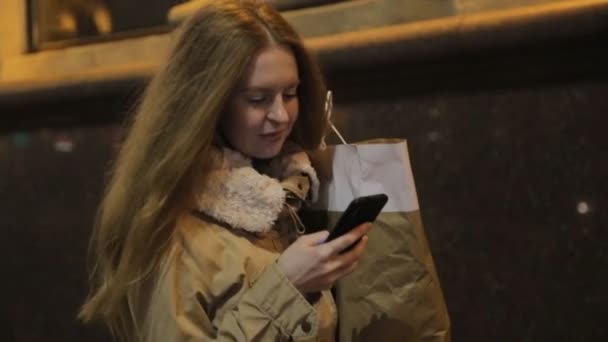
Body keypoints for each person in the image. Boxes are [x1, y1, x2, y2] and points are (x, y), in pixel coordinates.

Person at [79, 1, 370, 341]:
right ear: (208, 102)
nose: (280, 115)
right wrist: (287, 287)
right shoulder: (171, 231)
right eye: (258, 99)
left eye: (290, 93)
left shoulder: (297, 191)